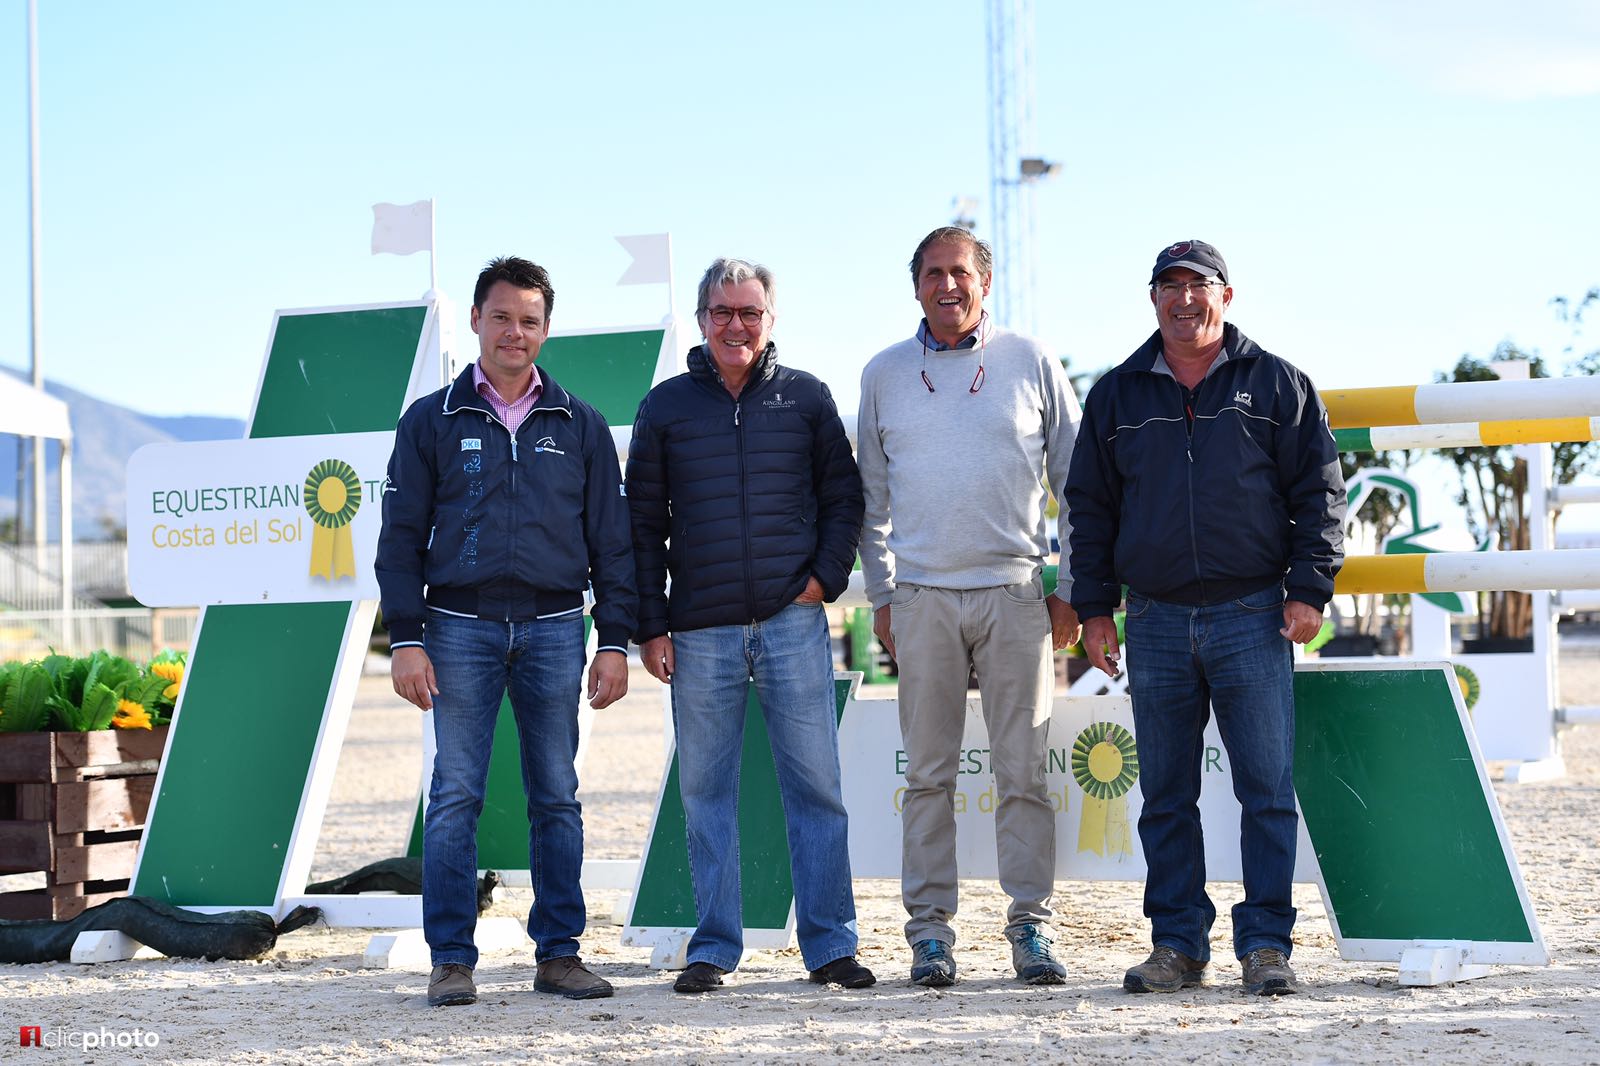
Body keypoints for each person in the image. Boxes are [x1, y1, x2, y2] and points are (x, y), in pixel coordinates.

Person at [1064, 239, 1345, 997]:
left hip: (1254, 614)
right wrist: (1094, 608)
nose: (1184, 299)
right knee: (1165, 796)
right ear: (1152, 298)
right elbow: (1089, 508)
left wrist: (1309, 587)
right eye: (1170, 285)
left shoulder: (1279, 383)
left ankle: (1266, 946)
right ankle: (1178, 945)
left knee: (1266, 791)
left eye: (1199, 285)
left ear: (1227, 295)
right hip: (1153, 619)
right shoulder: (1117, 394)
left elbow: (1319, 493)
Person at [376, 256, 636, 1007]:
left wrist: (613, 640)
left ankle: (559, 954)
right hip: (458, 627)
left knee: (557, 794)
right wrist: (406, 637)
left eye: (529, 320)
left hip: (556, 628)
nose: (514, 332)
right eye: (501, 317)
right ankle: (451, 960)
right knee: (456, 794)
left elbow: (612, 542)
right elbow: (399, 539)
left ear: (546, 330)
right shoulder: (430, 420)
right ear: (475, 321)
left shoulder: (580, 423)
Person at [627, 257, 873, 994]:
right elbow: (641, 523)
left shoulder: (807, 397)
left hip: (792, 623)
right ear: (702, 319)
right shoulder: (665, 407)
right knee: (705, 793)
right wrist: (651, 625)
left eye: (750, 312)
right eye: (722, 312)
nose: (736, 325)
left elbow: (844, 497)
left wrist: (824, 579)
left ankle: (831, 946)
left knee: (817, 790)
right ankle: (713, 945)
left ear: (770, 318)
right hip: (698, 632)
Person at [857, 226, 1082, 987]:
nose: (947, 285)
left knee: (1024, 773)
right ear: (915, 286)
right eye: (932, 273)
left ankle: (1032, 927)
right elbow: (870, 502)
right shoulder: (884, 373)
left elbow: (1077, 485)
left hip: (1017, 594)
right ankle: (929, 934)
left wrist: (1070, 587)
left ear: (985, 282)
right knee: (927, 776)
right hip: (921, 599)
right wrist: (884, 595)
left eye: (959, 272)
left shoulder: (1032, 360)